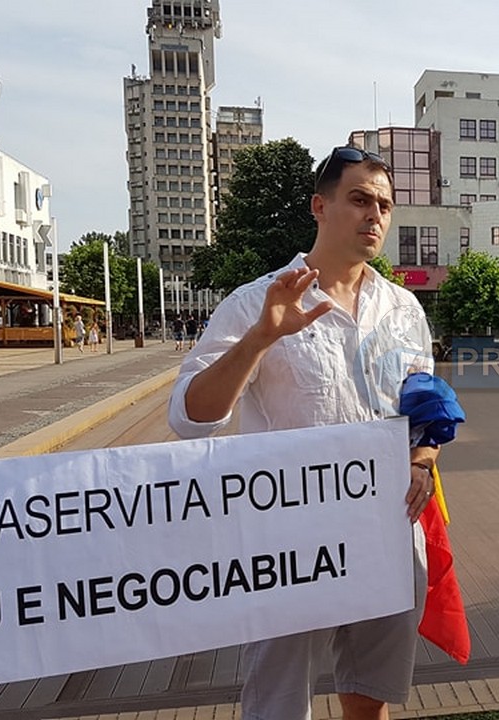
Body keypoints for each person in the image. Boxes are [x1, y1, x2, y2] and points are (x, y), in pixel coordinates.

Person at [168, 145, 436, 720]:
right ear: (320, 206)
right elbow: (190, 418)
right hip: (291, 543)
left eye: (385, 205)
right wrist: (260, 339)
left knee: (370, 697)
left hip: (387, 531)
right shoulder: (257, 302)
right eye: (359, 199)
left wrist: (424, 457)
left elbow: (423, 409)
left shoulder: (404, 310)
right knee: (279, 703)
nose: (374, 215)